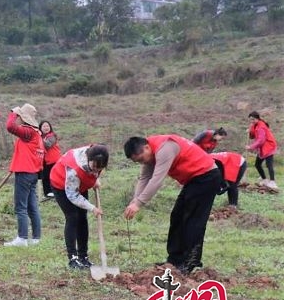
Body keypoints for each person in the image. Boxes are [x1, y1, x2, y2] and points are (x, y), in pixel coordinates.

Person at [123, 135, 222, 274]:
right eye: (138, 162)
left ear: (146, 147)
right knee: (177, 216)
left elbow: (157, 179)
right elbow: (145, 177)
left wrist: (139, 203)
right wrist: (134, 201)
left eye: (141, 159)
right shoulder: (149, 152)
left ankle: (189, 262)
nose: (142, 162)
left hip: (207, 176)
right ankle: (174, 260)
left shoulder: (165, 148)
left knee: (193, 220)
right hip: (193, 179)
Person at [50, 144, 109, 269]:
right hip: (61, 184)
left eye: (100, 169)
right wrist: (92, 208)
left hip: (80, 184)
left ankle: (83, 257)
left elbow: (95, 170)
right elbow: (73, 195)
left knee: (83, 218)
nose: (96, 171)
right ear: (89, 159)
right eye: (94, 167)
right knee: (73, 217)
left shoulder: (98, 153)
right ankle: (73, 258)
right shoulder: (74, 169)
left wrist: (95, 179)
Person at [3, 103, 44, 247]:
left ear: (23, 118)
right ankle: (36, 238)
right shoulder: (37, 134)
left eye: (20, 116)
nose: (18, 119)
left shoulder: (28, 132)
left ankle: (22, 238)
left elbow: (9, 126)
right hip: (33, 173)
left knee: (20, 207)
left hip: (25, 173)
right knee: (32, 207)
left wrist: (13, 113)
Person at [246, 111, 278, 189]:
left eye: (253, 119)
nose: (252, 121)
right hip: (262, 148)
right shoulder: (255, 125)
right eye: (250, 120)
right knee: (257, 164)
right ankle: (264, 179)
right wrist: (249, 131)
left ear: (257, 118)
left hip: (268, 147)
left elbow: (261, 140)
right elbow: (252, 136)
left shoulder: (261, 126)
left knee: (269, 164)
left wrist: (251, 147)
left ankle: (272, 182)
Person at [39, 120, 61, 198]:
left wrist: (40, 140)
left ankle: (54, 192)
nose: (46, 128)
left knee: (53, 177)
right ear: (40, 128)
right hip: (44, 160)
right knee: (45, 177)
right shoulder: (40, 137)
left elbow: (48, 145)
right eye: (44, 126)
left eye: (47, 126)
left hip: (53, 160)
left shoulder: (52, 136)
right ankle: (47, 193)